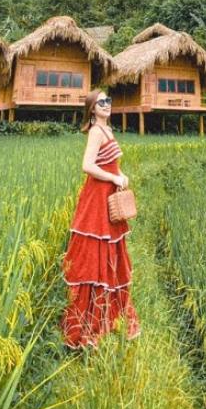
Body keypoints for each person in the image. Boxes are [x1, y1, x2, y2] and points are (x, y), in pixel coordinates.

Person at [60, 89, 141, 349]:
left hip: (108, 195)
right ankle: (86, 323)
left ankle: (107, 315)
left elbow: (110, 165)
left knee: (110, 248)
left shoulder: (108, 130)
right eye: (101, 102)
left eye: (108, 100)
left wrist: (121, 175)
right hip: (97, 198)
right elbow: (88, 165)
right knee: (96, 248)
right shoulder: (96, 131)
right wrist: (114, 178)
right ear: (92, 109)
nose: (107, 104)